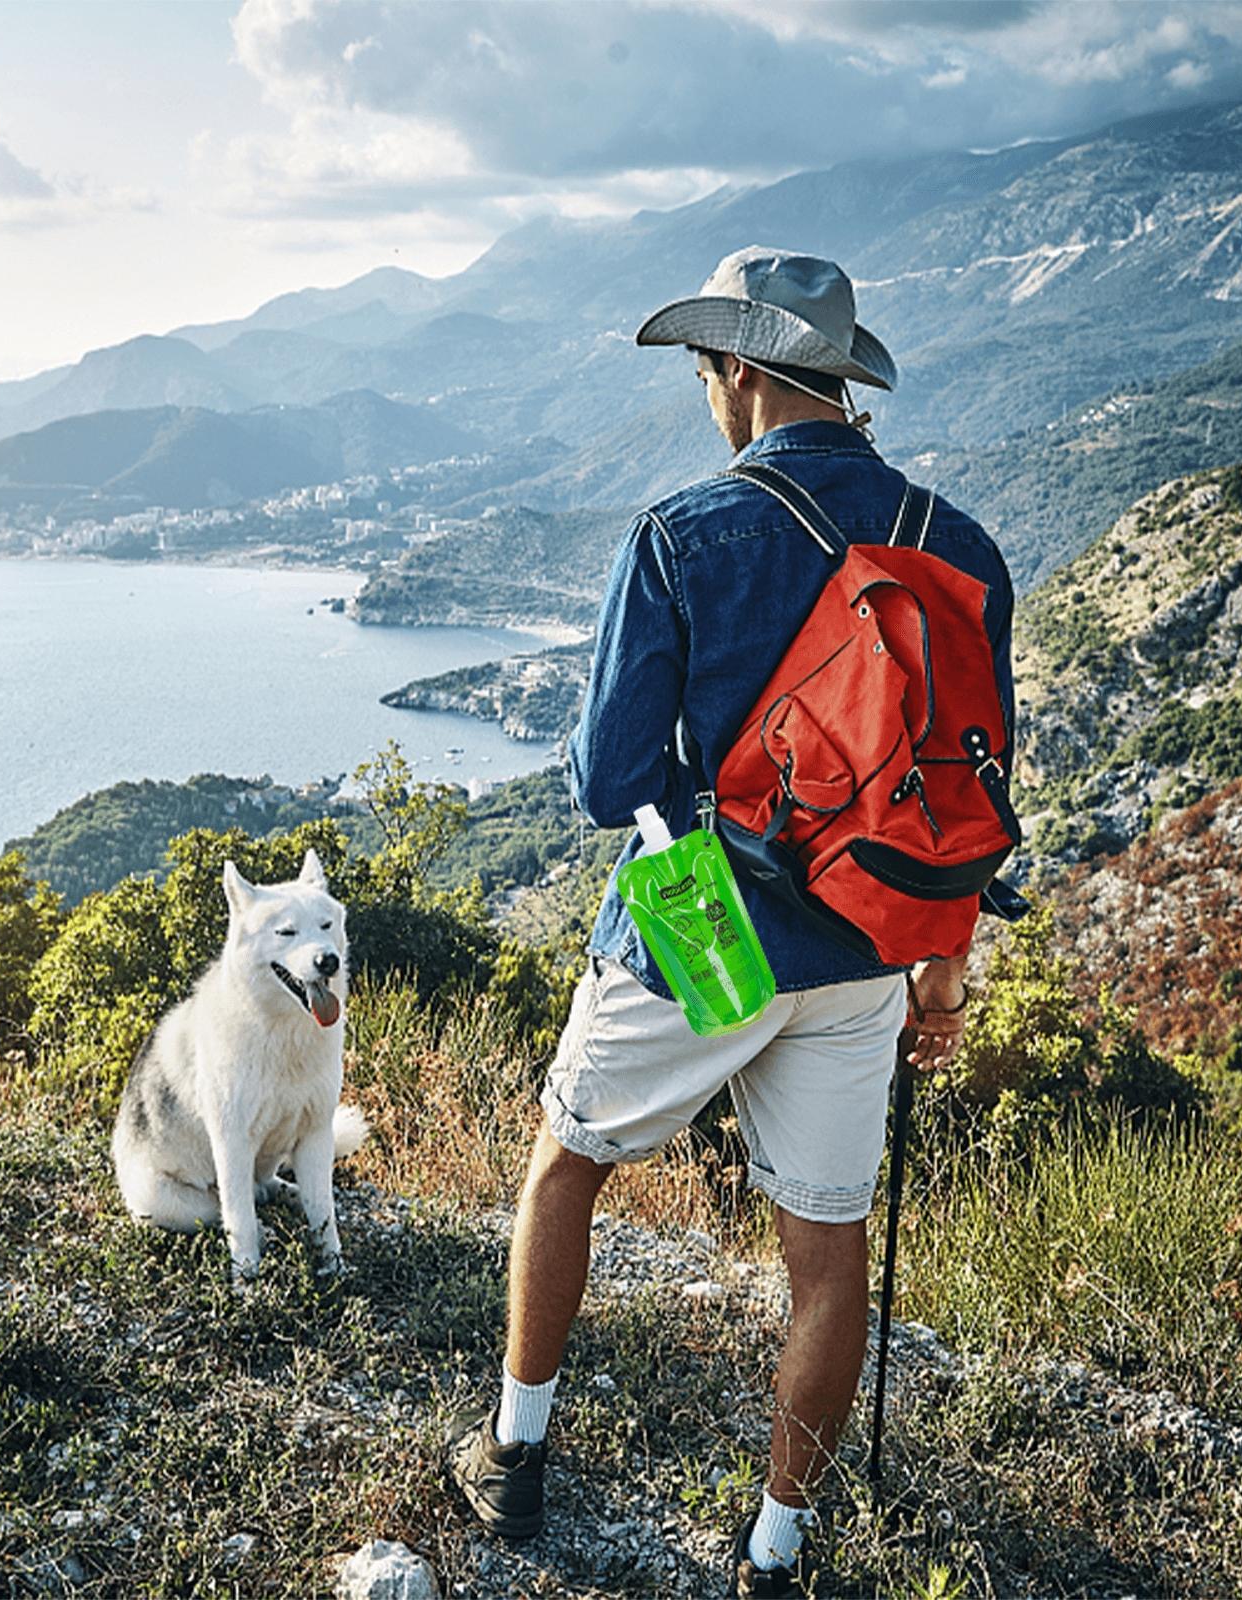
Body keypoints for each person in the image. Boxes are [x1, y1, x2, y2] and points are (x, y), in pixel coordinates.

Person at [447, 246, 1016, 1597]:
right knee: (827, 1255)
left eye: (709, 370)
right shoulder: (961, 548)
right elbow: (973, 793)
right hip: (872, 946)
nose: (709, 393)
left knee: (569, 1160)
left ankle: (514, 1461)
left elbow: (605, 782)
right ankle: (775, 1547)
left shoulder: (681, 534)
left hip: (709, 930)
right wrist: (941, 981)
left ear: (742, 374)